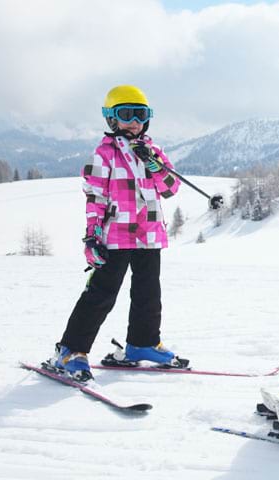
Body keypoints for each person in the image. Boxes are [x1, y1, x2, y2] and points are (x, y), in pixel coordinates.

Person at [50, 85, 184, 382]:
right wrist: (92, 237)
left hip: (149, 234)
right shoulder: (104, 153)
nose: (134, 121)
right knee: (102, 293)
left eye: (141, 114)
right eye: (126, 114)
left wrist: (152, 163)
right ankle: (71, 350)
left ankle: (143, 343)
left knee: (148, 293)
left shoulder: (154, 151)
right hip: (115, 235)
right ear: (112, 118)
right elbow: (95, 197)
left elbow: (171, 188)